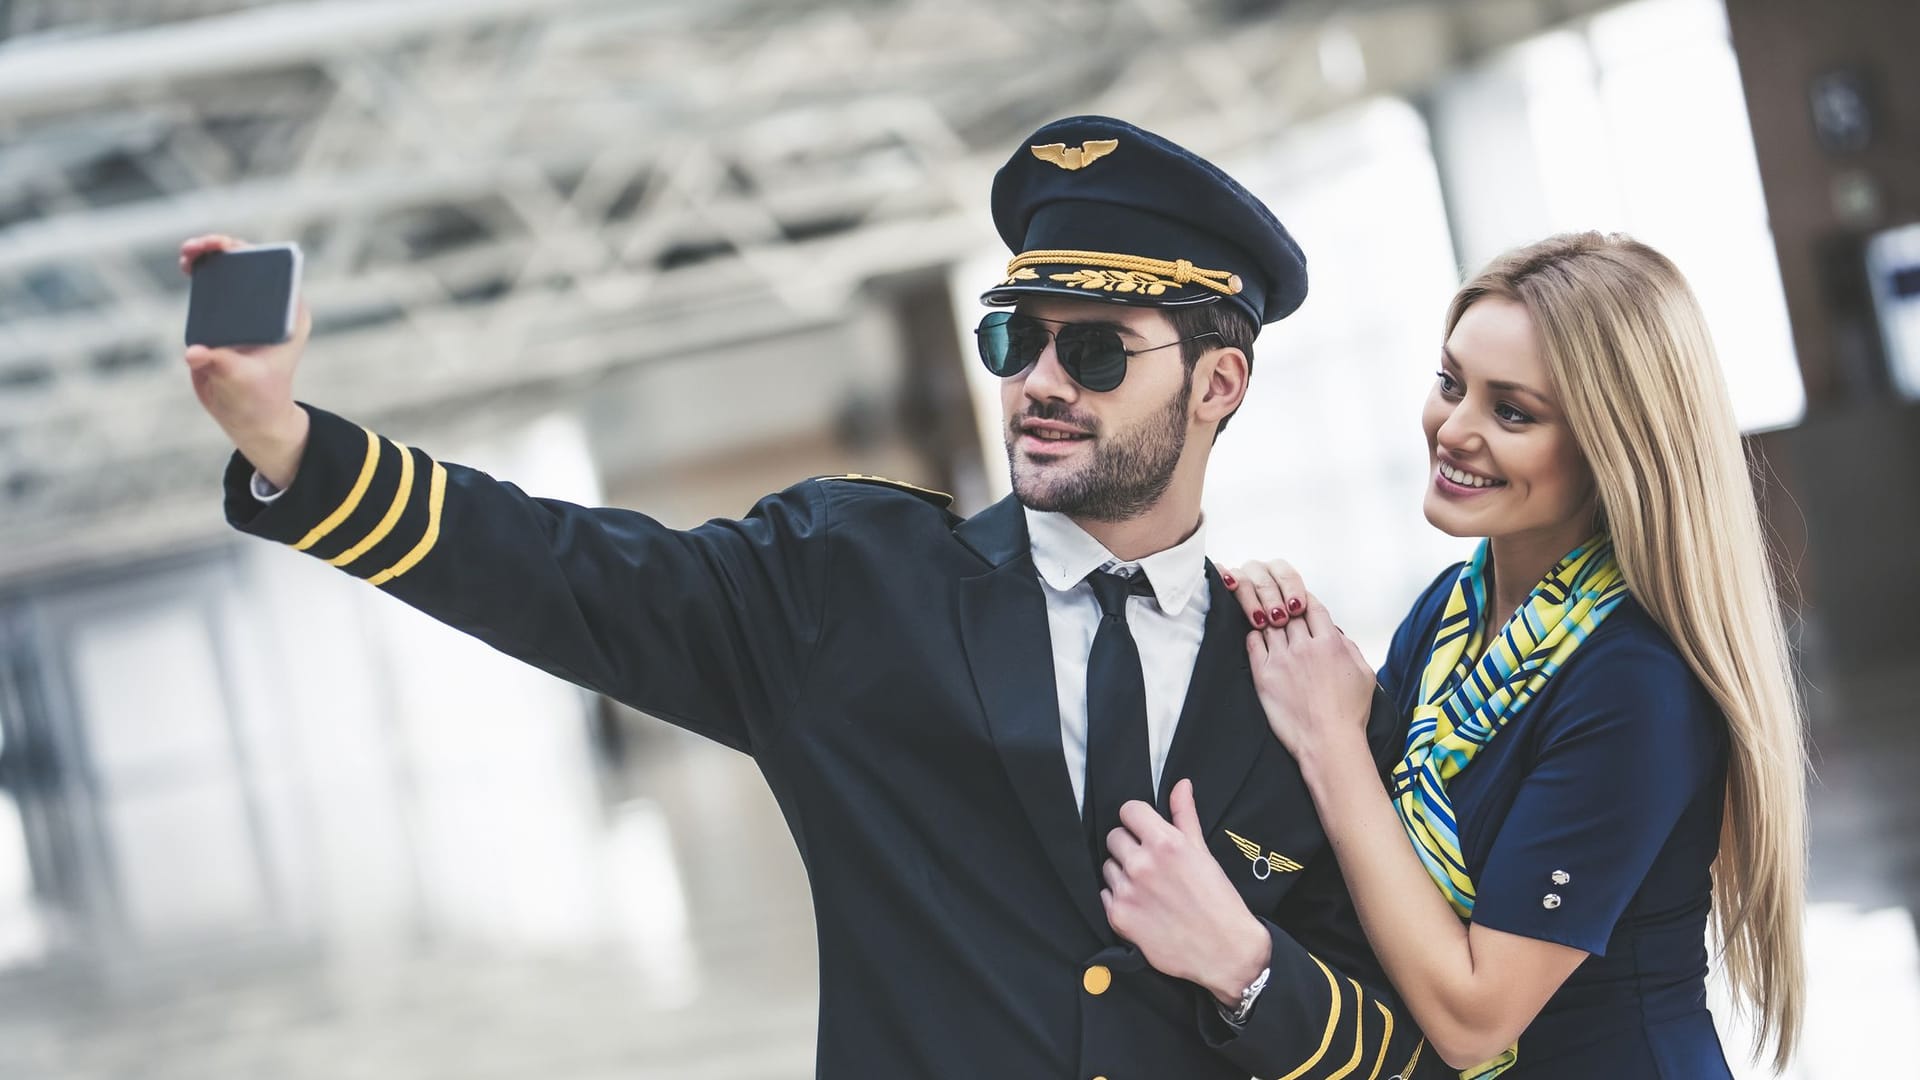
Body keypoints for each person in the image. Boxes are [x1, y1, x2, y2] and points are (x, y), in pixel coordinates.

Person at [179, 116, 1440, 1079]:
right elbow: (565, 574)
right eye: (1016, 340)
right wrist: (292, 443)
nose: (1039, 383)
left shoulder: (1301, 692)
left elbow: (1407, 1043)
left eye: (1096, 350)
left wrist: (1248, 970)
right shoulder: (853, 587)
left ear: (1218, 384)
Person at [1125, 232, 1808, 1077]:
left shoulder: (1637, 681)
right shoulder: (1454, 613)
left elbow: (1474, 1019)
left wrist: (1333, 741)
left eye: (1511, 411)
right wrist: (1268, 635)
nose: (1454, 429)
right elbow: (1357, 877)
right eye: (1450, 383)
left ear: (1611, 447)